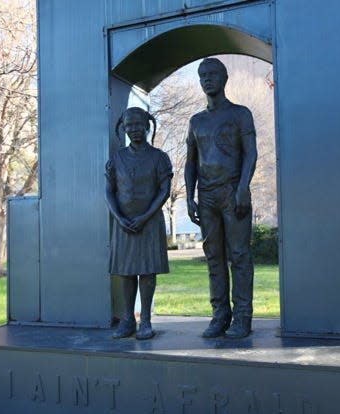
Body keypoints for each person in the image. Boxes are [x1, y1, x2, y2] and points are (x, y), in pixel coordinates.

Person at [185, 58, 258, 339]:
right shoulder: (196, 121)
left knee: (239, 255)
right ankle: (220, 315)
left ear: (224, 78)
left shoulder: (241, 114)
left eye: (213, 74)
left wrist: (243, 187)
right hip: (207, 195)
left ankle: (242, 316)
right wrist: (189, 198)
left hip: (232, 191)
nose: (207, 79)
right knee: (214, 257)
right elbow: (190, 162)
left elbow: (250, 152)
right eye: (202, 75)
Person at [105, 107, 173, 340]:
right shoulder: (116, 159)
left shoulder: (159, 158)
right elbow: (109, 192)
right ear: (123, 128)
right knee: (125, 272)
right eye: (129, 125)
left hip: (149, 222)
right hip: (123, 223)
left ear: (147, 126)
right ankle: (127, 320)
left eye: (138, 125)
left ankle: (145, 320)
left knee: (146, 271)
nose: (134, 129)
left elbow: (164, 189)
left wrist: (145, 216)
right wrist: (119, 218)